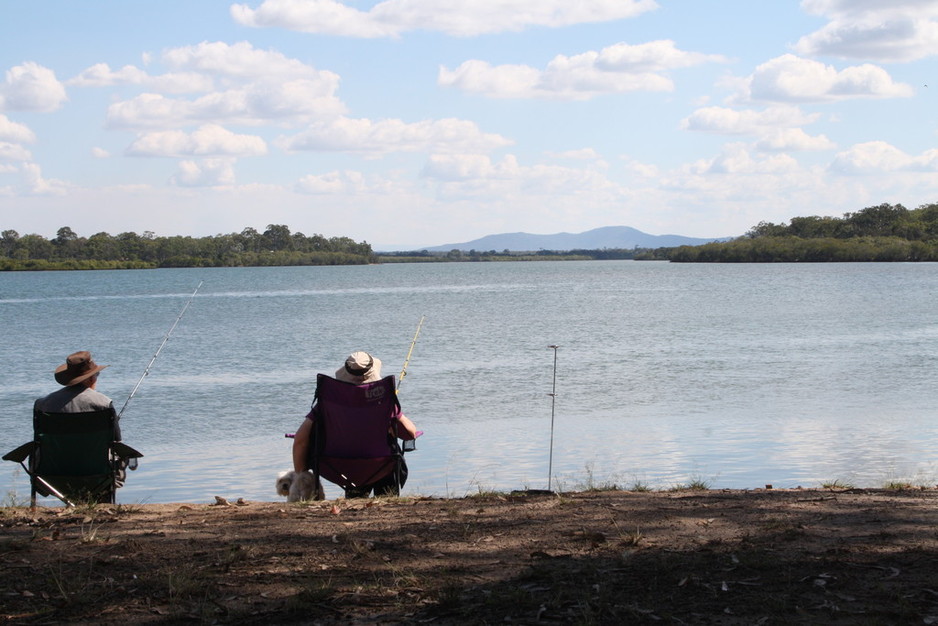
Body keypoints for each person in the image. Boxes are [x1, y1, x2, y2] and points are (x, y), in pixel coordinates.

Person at [292, 351, 418, 499]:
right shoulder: (383, 401)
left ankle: (354, 497)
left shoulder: (328, 403)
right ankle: (386, 499)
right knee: (390, 459)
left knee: (354, 476)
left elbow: (300, 440)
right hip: (381, 464)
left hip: (340, 467)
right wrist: (393, 418)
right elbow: (409, 434)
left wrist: (301, 473)